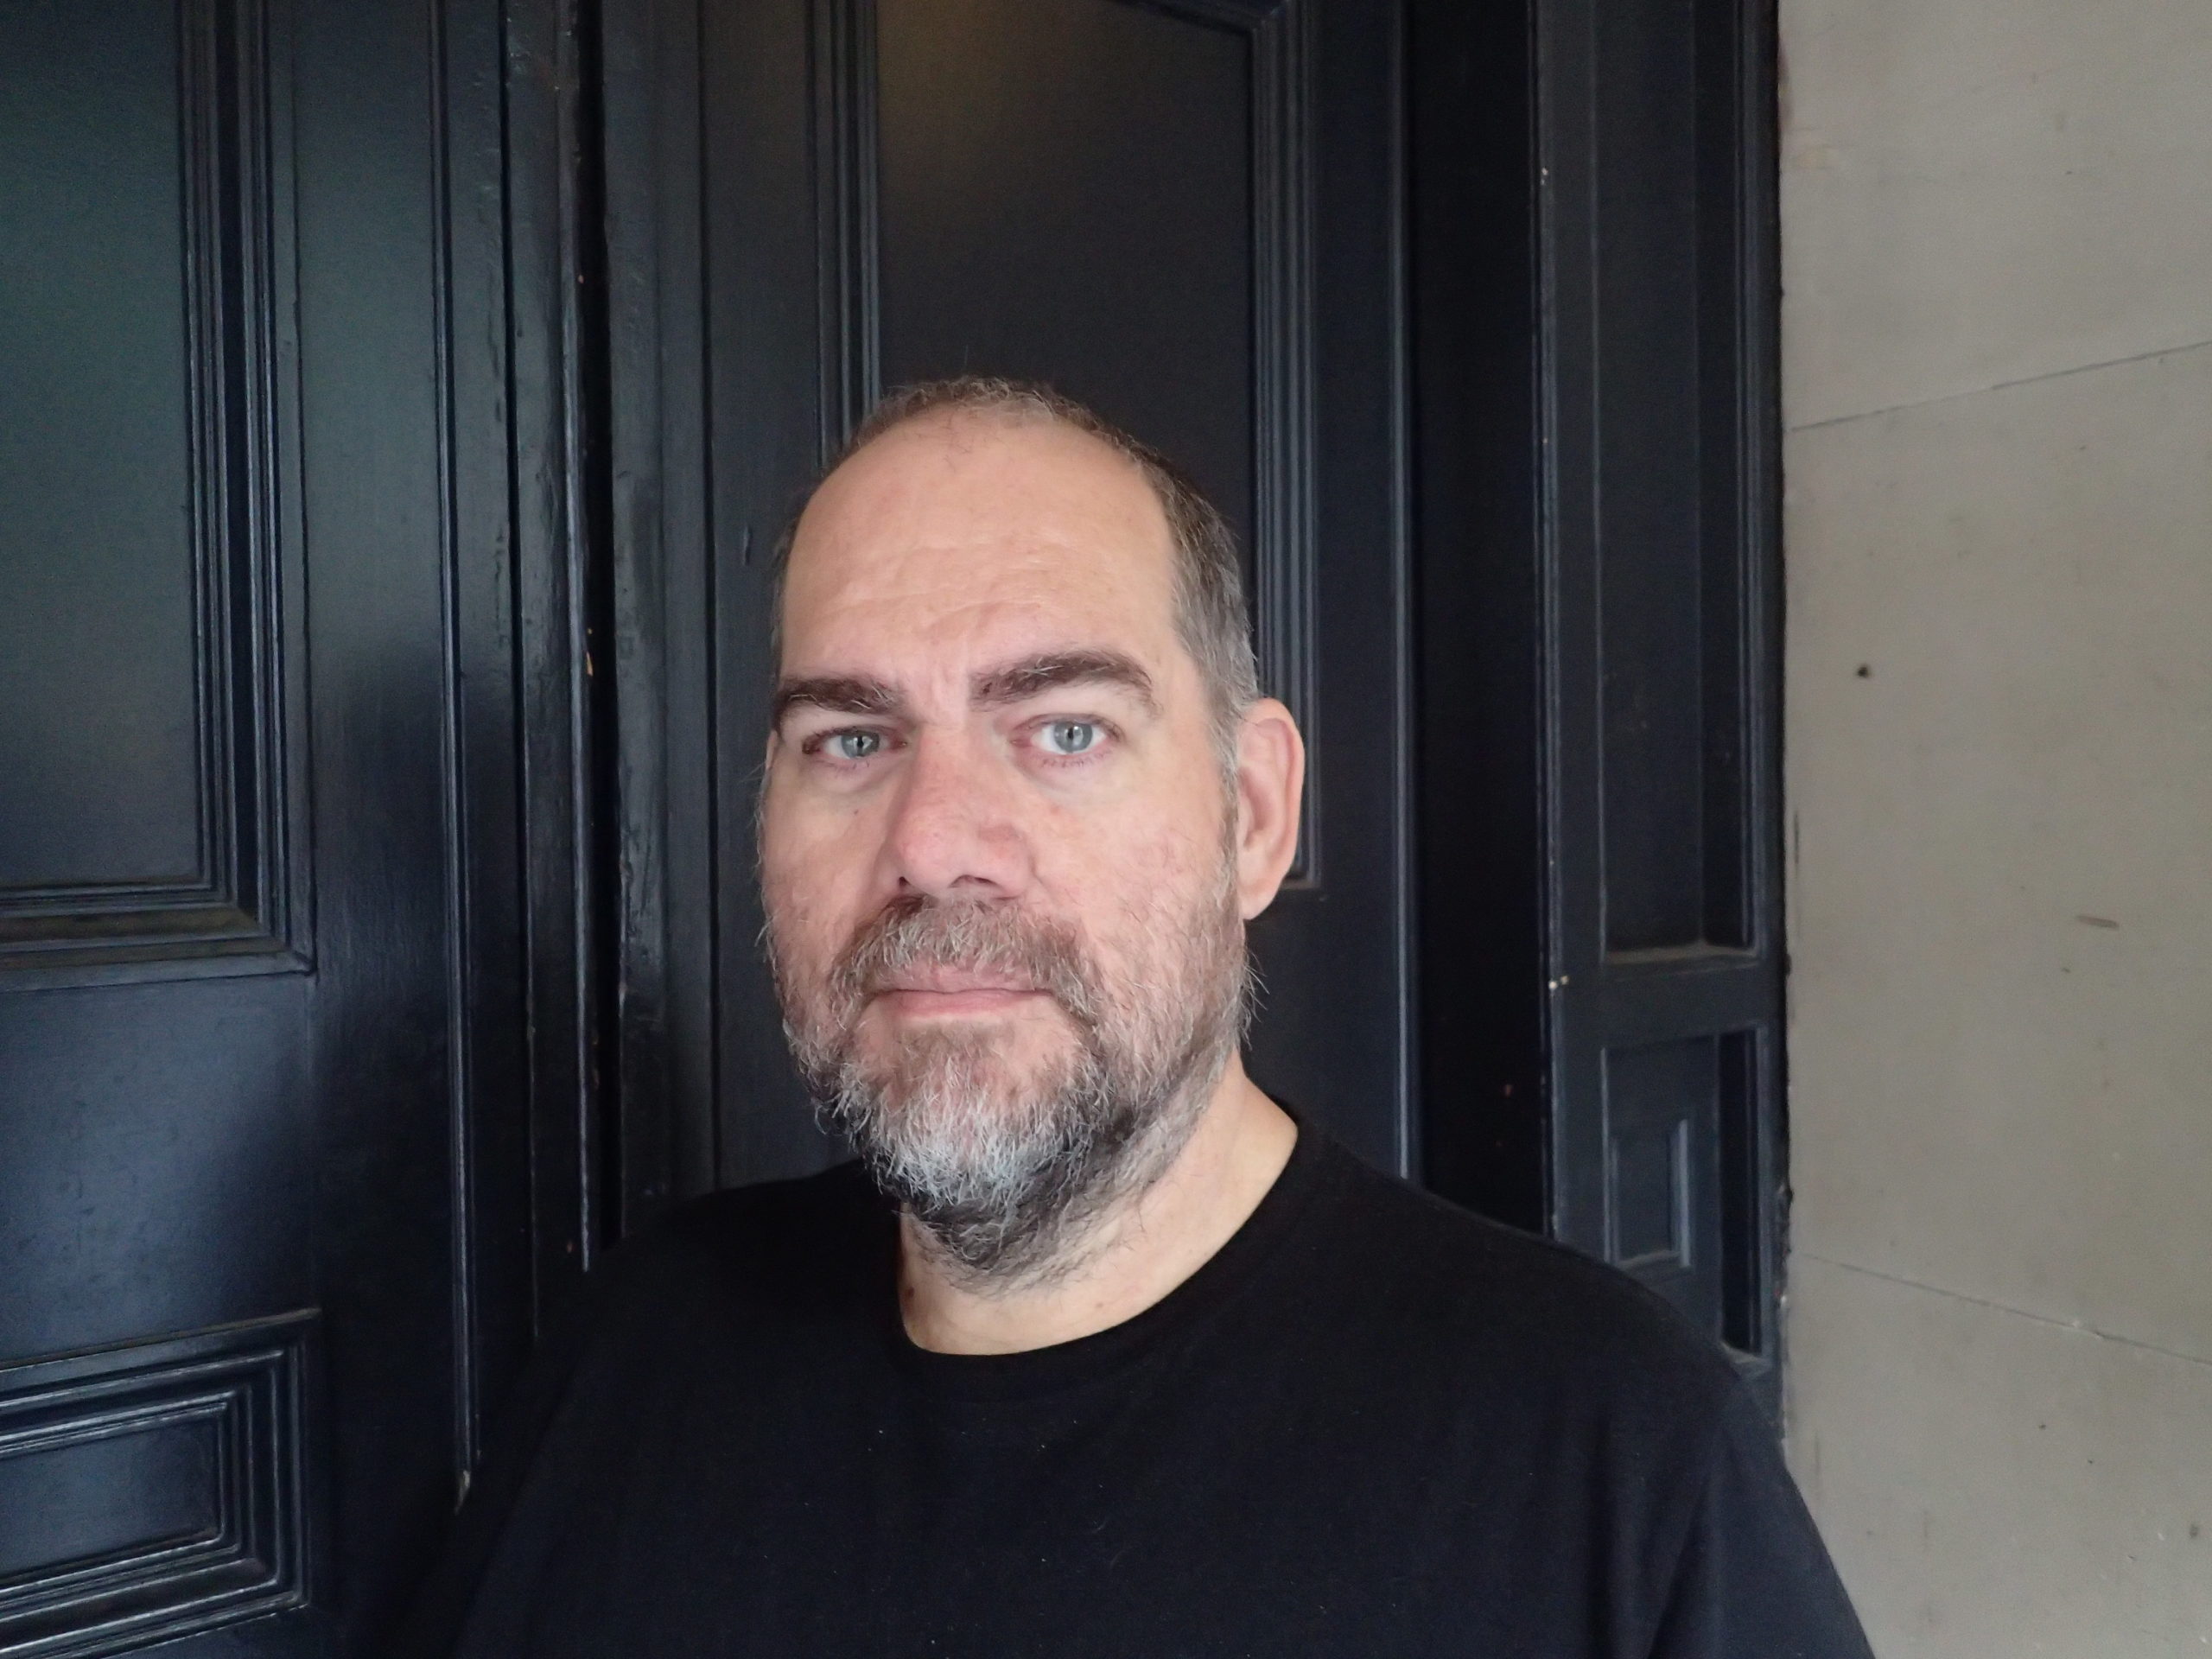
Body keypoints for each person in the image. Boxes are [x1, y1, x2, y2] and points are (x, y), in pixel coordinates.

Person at [404, 378, 1872, 1657]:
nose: (934, 843)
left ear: (1254, 816)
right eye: (850, 739)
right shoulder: (633, 1350)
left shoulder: (1612, 1462)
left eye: (1064, 731)